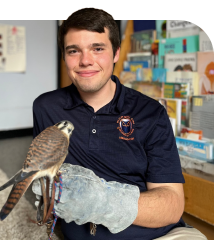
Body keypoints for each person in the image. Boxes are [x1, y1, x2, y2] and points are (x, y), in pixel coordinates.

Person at [32, 8, 207, 240]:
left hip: (156, 235)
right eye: (74, 51)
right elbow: (44, 172)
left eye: (97, 49)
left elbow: (172, 205)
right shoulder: (46, 107)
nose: (85, 61)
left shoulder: (151, 113)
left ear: (116, 53)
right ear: (64, 56)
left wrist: (102, 200)